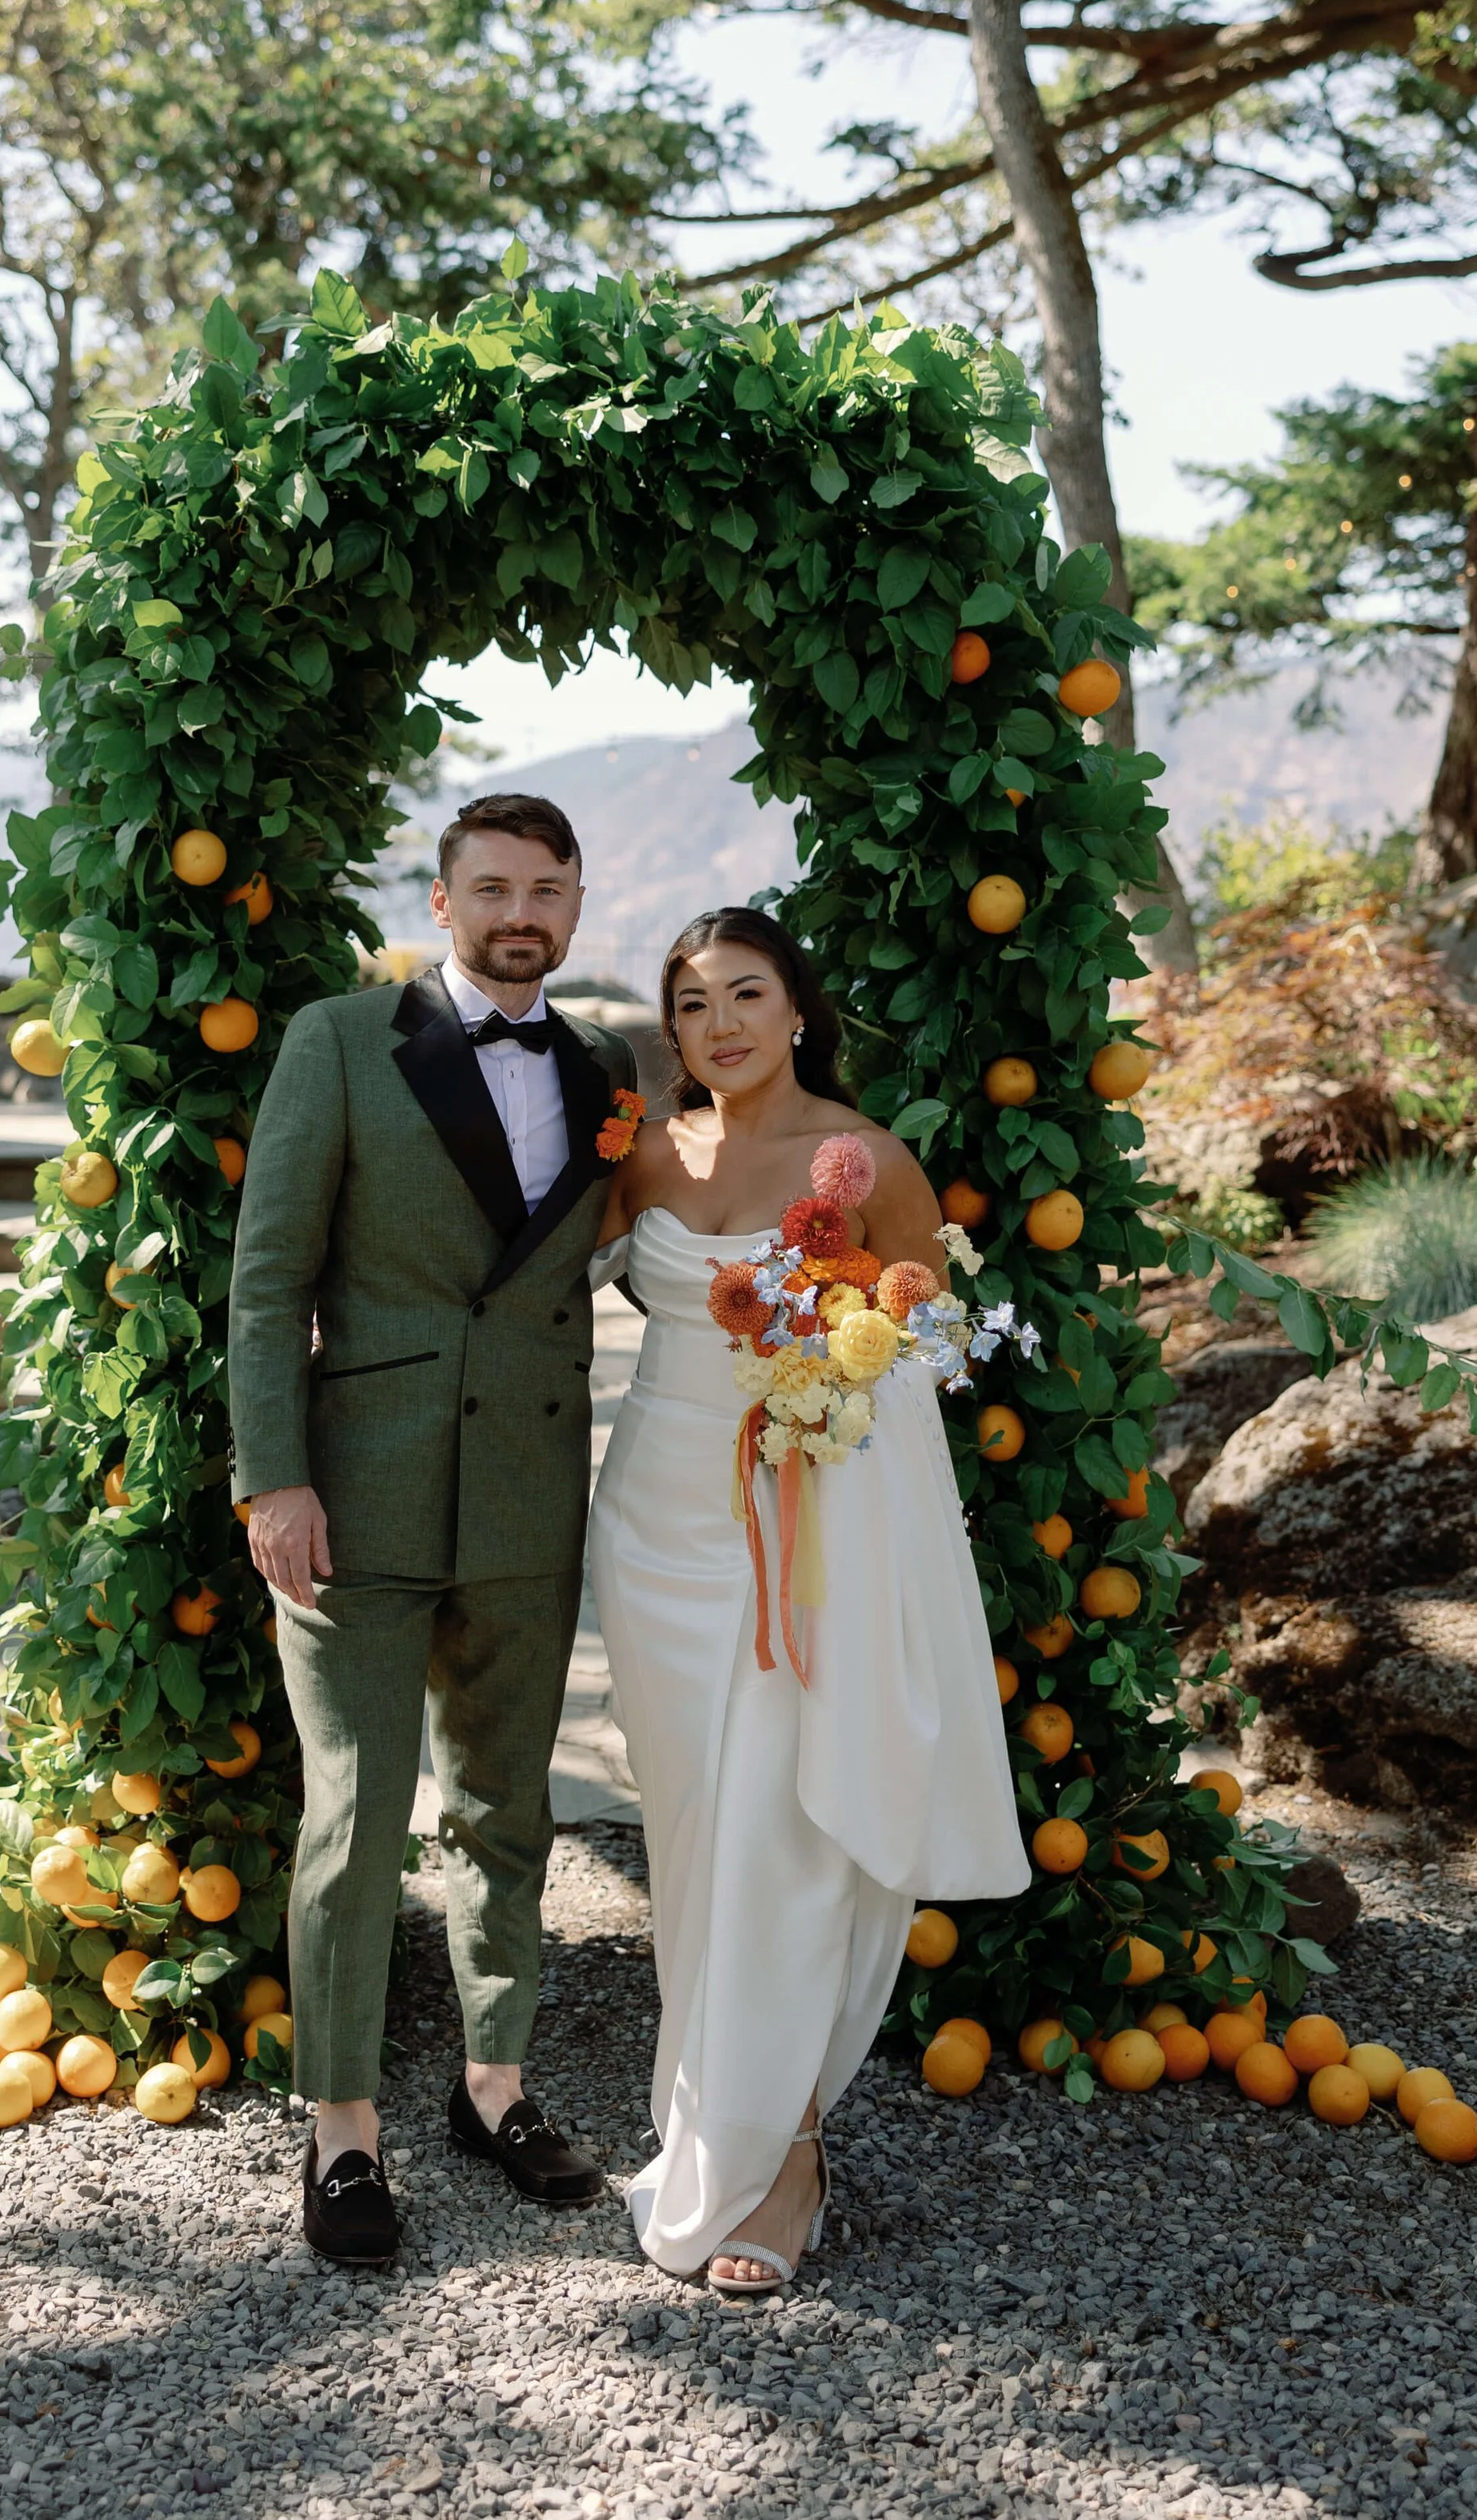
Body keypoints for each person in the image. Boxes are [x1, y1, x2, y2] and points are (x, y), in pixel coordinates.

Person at [588, 906, 1028, 2294]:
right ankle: (717, 2115)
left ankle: (785, 2154)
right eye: (692, 1002)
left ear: (796, 1009)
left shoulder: (868, 1155)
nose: (718, 1023)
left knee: (783, 1826)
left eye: (745, 993)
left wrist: (843, 1385)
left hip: (808, 1529)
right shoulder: (646, 1152)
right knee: (696, 1834)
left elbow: (942, 1333)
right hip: (654, 1523)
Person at [232, 794, 641, 2268]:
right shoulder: (338, 1043)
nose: (520, 912)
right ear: (443, 896)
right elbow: (270, 1280)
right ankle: (343, 2138)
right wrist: (273, 1477)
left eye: (547, 889)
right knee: (352, 1823)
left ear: (576, 904)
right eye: (493, 888)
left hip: (532, 1495)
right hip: (358, 1493)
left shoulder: (608, 1069)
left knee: (508, 1809)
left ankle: (496, 2088)